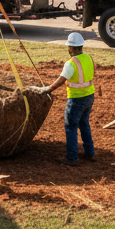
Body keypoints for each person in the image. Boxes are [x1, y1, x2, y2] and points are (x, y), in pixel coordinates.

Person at [39, 32, 102, 166]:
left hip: (76, 99)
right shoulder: (88, 58)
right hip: (89, 96)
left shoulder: (71, 63)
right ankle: (90, 153)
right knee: (84, 124)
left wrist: (47, 90)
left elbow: (61, 80)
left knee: (71, 127)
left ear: (71, 48)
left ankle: (72, 158)